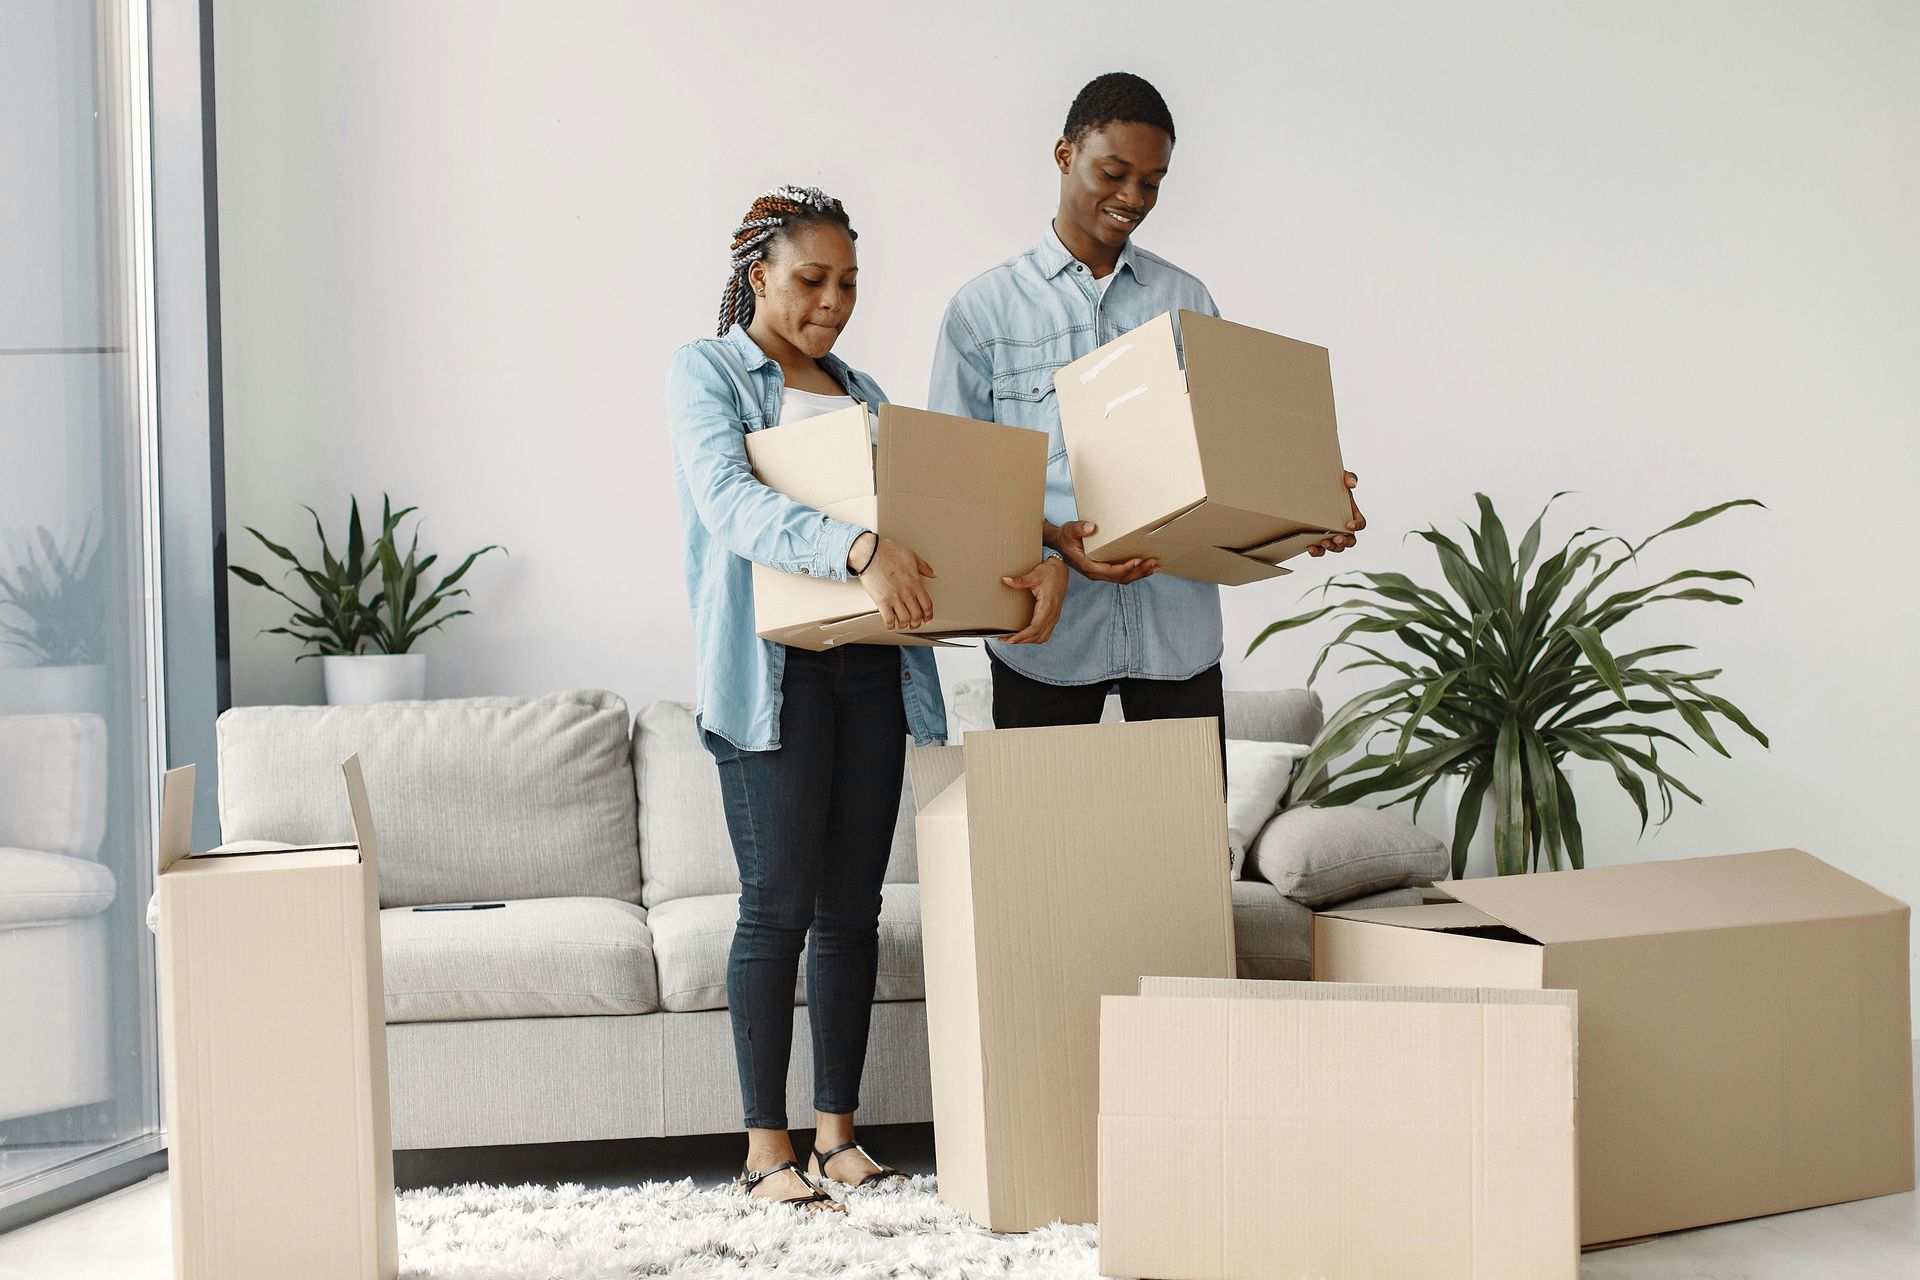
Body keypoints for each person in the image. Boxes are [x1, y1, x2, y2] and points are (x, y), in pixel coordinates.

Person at [667, 185, 1058, 1210]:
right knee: (777, 906)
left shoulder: (866, 392)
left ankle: (838, 1133)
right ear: (758, 275)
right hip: (772, 677)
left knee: (854, 909)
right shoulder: (707, 372)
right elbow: (730, 500)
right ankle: (765, 1150)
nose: (833, 301)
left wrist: (1011, 572)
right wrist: (857, 544)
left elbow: (933, 525)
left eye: (847, 283)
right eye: (811, 280)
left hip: (876, 669)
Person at [929, 73, 1365, 754]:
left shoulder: (1186, 300)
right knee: (1045, 853)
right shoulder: (982, 313)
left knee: (1185, 856)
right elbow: (953, 486)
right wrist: (1052, 538)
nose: (1132, 198)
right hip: (1045, 638)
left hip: (1176, 636)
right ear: (1064, 154)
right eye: (1115, 172)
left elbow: (1234, 451)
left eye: (1153, 182)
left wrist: (1305, 504)